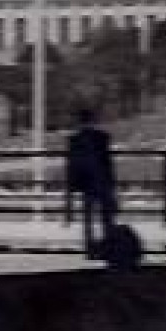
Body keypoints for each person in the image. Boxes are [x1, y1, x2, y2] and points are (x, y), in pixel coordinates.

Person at [65, 108, 118, 257]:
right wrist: (112, 185)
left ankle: (90, 248)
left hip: (86, 184)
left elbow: (72, 166)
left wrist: (70, 190)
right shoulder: (103, 138)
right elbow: (108, 163)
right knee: (106, 219)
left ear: (79, 121)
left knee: (88, 219)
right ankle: (109, 247)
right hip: (102, 181)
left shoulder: (74, 140)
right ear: (93, 120)